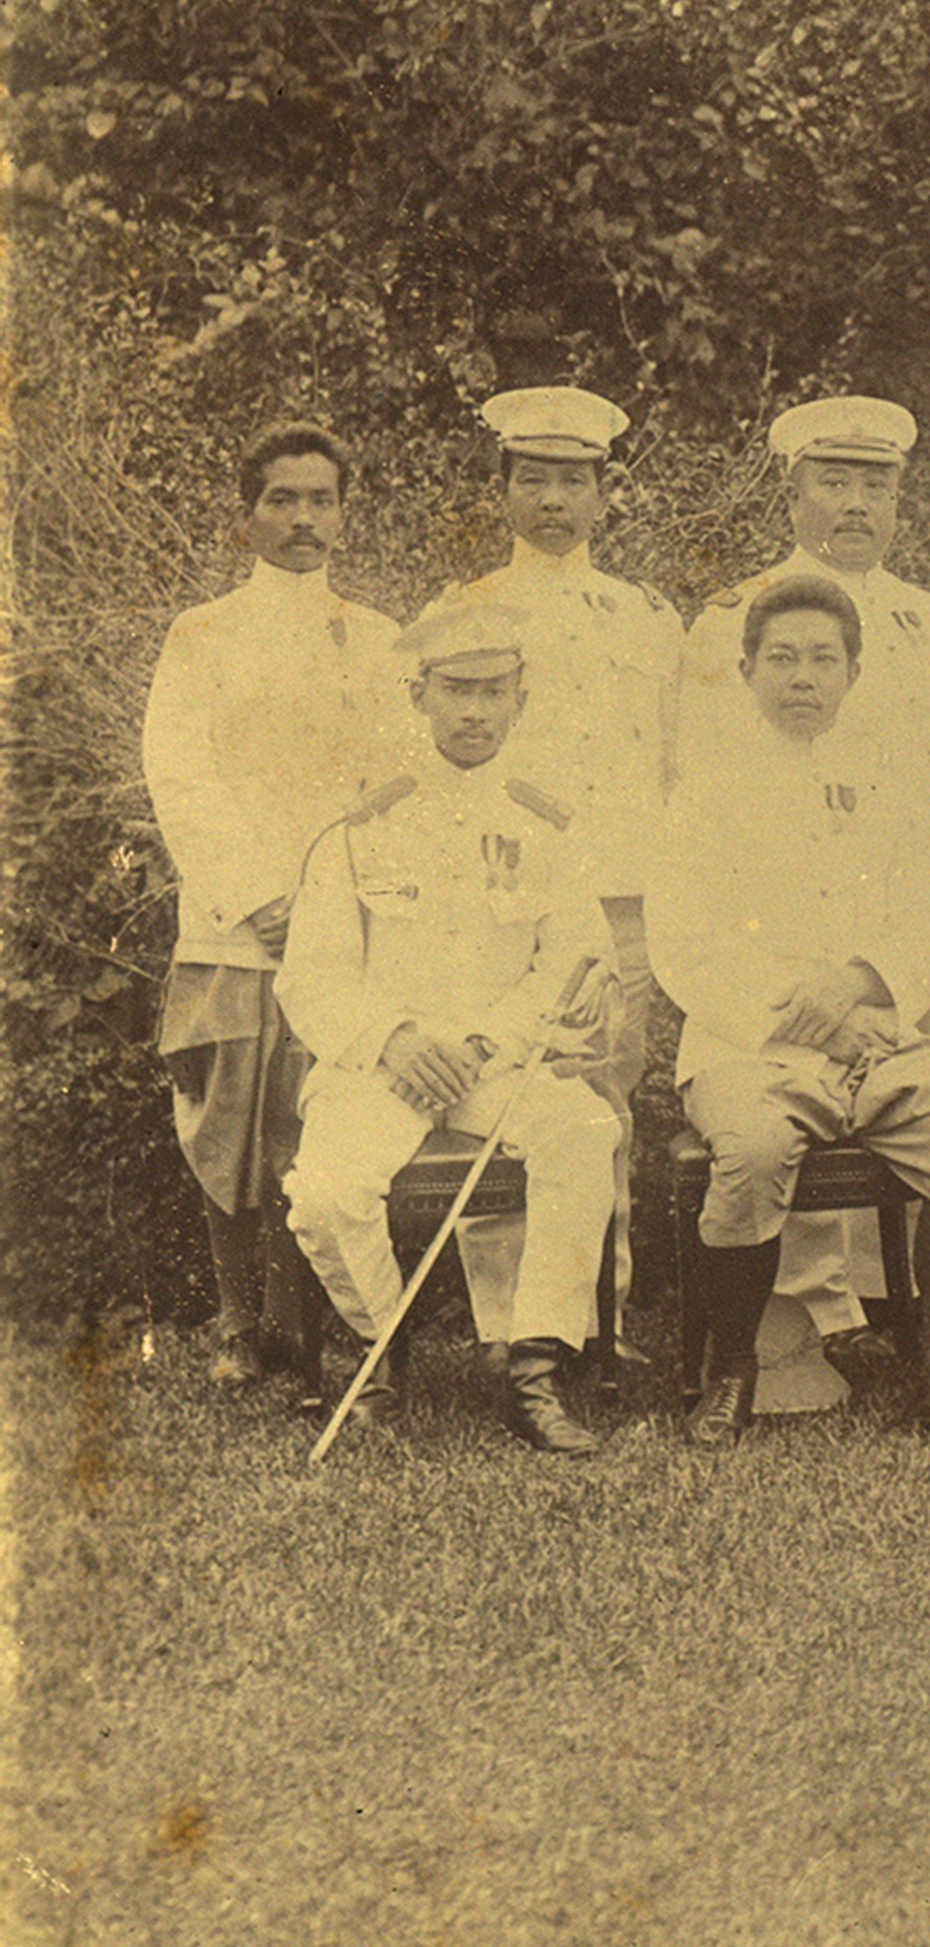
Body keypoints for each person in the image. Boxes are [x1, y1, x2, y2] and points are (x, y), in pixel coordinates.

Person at [643, 568, 930, 1448]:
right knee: (753, 1151)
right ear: (746, 671)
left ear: (852, 672)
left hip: (877, 1031)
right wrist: (805, 1015)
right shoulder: (705, 792)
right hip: (748, 1044)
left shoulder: (890, 785)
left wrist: (859, 982)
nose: (802, 678)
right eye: (782, 659)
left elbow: (928, 916)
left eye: (822, 660)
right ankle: (734, 1372)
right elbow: (684, 943)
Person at [276, 600, 631, 1457]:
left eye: (493, 692)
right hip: (382, 1067)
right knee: (324, 1192)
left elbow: (571, 963)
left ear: (520, 700)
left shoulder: (547, 826)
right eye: (456, 690)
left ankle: (534, 1369)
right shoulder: (361, 826)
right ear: (419, 695)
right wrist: (396, 1039)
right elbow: (310, 976)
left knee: (585, 1131)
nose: (475, 711)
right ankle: (381, 1351)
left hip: (497, 1063)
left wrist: (482, 1046)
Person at [416, 386, 683, 1068]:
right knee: (495, 1082)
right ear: (502, 491)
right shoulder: (461, 613)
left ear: (604, 493)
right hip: (503, 899)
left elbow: (675, 765)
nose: (554, 501)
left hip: (620, 896)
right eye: (532, 480)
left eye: (573, 482)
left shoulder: (648, 618)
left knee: (608, 1088)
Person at [670, 398, 930, 807]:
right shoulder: (733, 621)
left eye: (876, 487)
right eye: (835, 484)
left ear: (895, 499)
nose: (857, 504)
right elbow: (706, 787)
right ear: (793, 498)